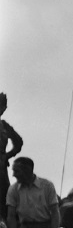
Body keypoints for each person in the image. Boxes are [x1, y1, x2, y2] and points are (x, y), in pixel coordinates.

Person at [0, 93, 24, 221]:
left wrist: (7, 156)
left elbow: (18, 142)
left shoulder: (4, 126)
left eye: (2, 106)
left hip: (1, 169)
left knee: (5, 200)